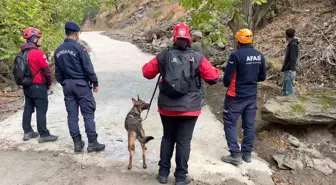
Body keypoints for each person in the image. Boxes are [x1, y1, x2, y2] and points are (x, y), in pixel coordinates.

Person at [142, 23, 221, 185]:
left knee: (168, 137)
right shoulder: (197, 57)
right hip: (190, 108)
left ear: (174, 38)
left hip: (167, 107)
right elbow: (212, 78)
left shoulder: (164, 55)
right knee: (184, 141)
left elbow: (146, 72)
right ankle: (180, 177)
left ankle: (163, 174)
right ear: (189, 39)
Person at [54, 21, 105, 153]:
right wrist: (95, 82)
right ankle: (92, 143)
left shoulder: (58, 50)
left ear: (66, 33)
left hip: (67, 85)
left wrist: (64, 83)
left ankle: (77, 143)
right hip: (81, 84)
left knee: (72, 115)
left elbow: (57, 73)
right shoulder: (79, 48)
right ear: (76, 33)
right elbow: (88, 67)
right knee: (88, 114)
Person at [221, 29, 266, 166]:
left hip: (236, 96)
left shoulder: (236, 55)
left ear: (238, 41)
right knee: (249, 124)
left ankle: (235, 154)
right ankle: (246, 154)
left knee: (229, 122)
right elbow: (262, 77)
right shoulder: (259, 55)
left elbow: (227, 79)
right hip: (251, 95)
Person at [21, 27, 58, 143]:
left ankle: (27, 132)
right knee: (41, 109)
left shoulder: (22, 53)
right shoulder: (38, 54)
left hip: (27, 86)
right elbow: (46, 72)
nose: (41, 40)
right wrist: (48, 84)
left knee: (28, 107)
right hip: (38, 85)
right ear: (34, 39)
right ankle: (44, 134)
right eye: (39, 38)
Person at [190, 30, 209, 107]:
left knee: (195, 81)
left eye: (192, 35)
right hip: (203, 64)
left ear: (196, 37)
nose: (191, 37)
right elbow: (207, 56)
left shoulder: (193, 45)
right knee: (202, 82)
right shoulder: (205, 45)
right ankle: (203, 98)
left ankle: (197, 99)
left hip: (195, 65)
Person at [281, 28, 299, 96]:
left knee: (289, 92)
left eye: (285, 34)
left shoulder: (293, 45)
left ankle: (290, 105)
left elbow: (292, 59)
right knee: (285, 90)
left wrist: (288, 68)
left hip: (290, 71)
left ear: (287, 35)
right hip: (288, 70)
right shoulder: (291, 44)